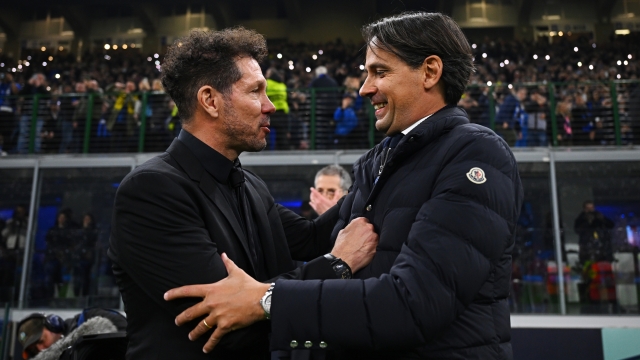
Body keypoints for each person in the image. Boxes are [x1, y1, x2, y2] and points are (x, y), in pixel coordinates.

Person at [165, 12, 523, 359]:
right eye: (366, 73)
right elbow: (316, 242)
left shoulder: (475, 153)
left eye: (379, 72)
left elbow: (414, 304)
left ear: (430, 72)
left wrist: (267, 299)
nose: (366, 88)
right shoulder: (380, 160)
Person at [108, 27, 377, 360]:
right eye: (256, 92)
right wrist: (337, 265)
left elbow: (311, 238)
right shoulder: (151, 191)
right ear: (210, 101)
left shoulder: (249, 183)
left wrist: (381, 168)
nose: (270, 106)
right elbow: (230, 325)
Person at [17, 308, 127, 359]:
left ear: (54, 324)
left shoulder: (89, 317)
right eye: (34, 350)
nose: (40, 349)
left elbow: (129, 335)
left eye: (41, 341)